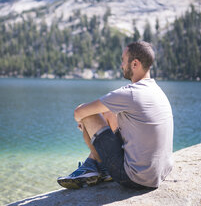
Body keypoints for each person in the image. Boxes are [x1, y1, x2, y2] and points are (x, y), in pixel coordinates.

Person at [57, 41, 174, 190]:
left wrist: (86, 124)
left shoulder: (130, 93)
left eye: (123, 61)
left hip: (134, 178)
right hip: (159, 174)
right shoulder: (157, 90)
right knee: (108, 113)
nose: (121, 66)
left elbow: (78, 113)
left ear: (135, 64)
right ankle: (93, 165)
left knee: (88, 115)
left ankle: (95, 166)